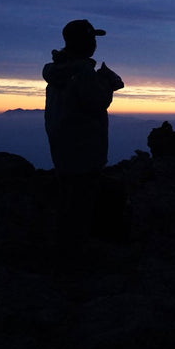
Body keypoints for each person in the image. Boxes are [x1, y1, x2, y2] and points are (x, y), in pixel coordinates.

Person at [43, 19, 124, 251]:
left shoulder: (58, 70)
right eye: (92, 39)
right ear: (85, 42)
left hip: (62, 146)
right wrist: (109, 83)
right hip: (84, 149)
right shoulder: (83, 72)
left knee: (68, 202)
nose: (95, 44)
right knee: (80, 205)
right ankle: (73, 260)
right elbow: (96, 102)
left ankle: (65, 249)